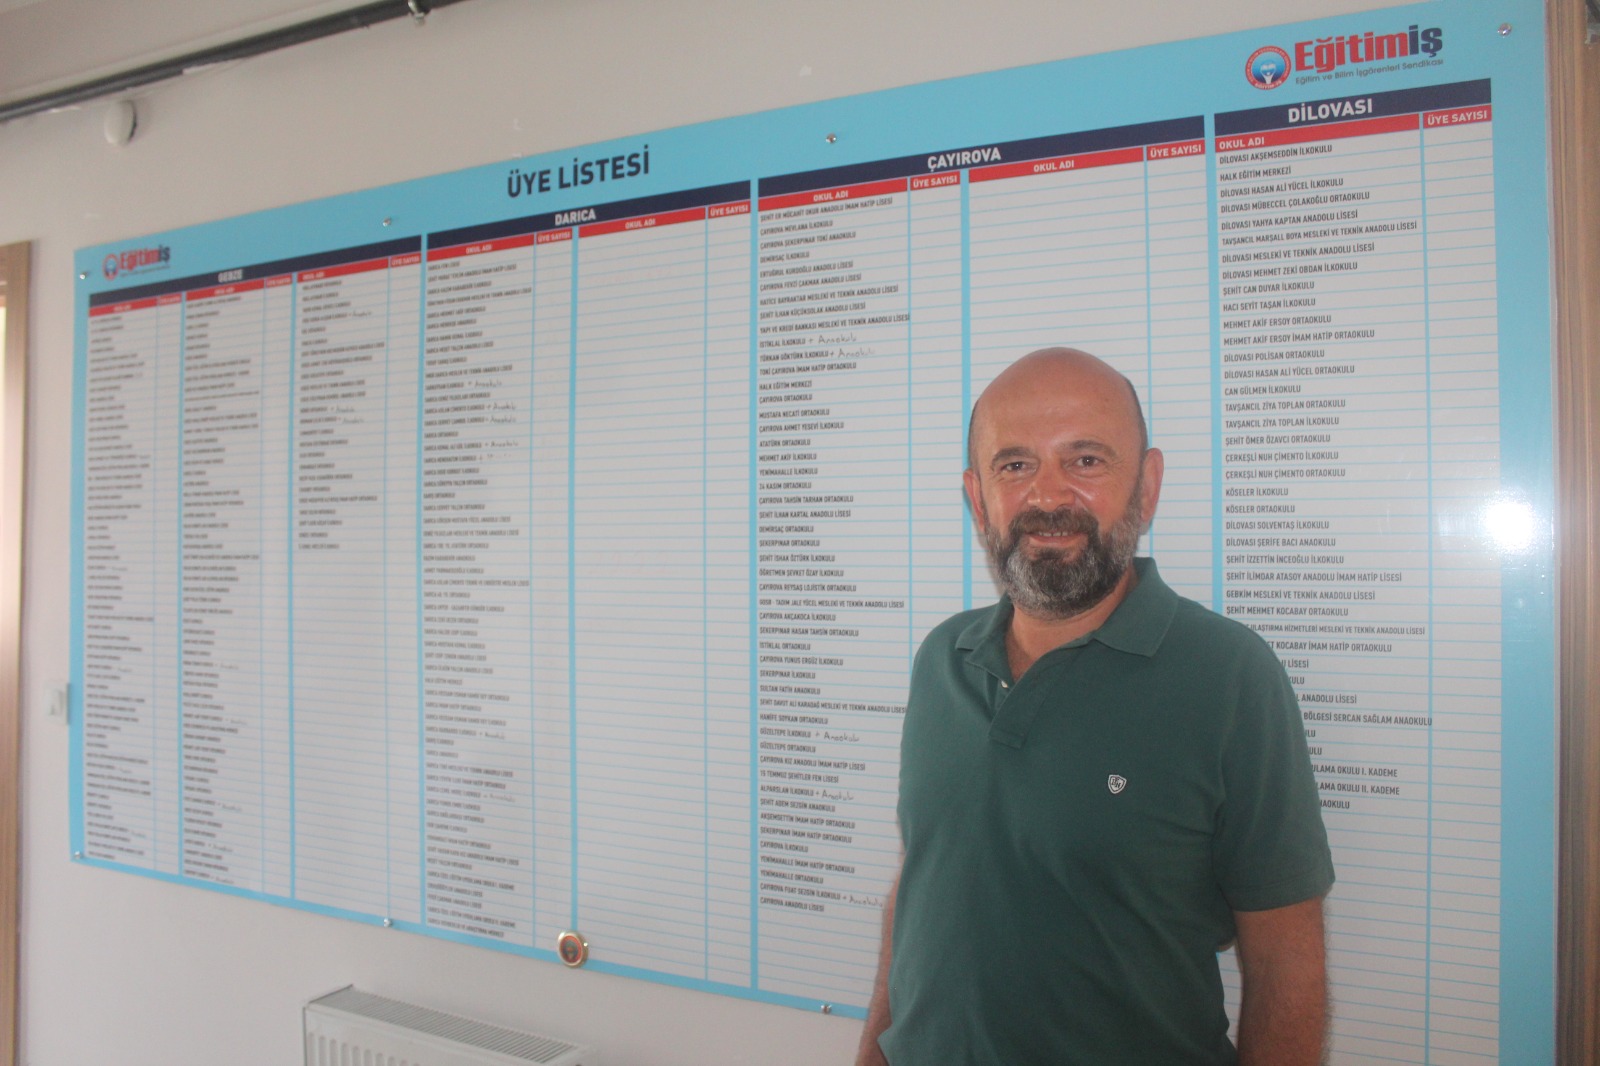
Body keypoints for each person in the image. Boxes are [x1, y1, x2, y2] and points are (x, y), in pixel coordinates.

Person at [855, 348, 1334, 1065]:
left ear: (1147, 486)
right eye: (1015, 464)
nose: (1048, 496)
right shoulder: (941, 659)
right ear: (977, 497)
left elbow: (1286, 966)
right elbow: (922, 884)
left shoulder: (1231, 678)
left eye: (1085, 460)